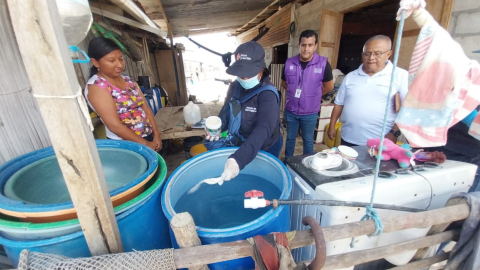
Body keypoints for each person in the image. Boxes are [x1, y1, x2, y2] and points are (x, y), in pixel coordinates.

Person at [218, 41, 283, 182]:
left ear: (261, 70)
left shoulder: (268, 94)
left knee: (261, 180)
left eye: (248, 74)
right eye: (241, 74)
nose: (244, 78)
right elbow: (226, 110)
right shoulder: (235, 86)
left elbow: (264, 128)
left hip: (266, 146)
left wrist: (238, 159)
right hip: (241, 142)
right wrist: (217, 128)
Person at [328, 35, 408, 146]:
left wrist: (394, 132)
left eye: (377, 53)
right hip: (348, 138)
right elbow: (339, 104)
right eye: (367, 54)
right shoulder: (350, 77)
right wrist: (332, 126)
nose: (371, 58)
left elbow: (407, 108)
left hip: (381, 142)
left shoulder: (400, 76)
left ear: (388, 54)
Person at [84, 37, 162, 151]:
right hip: (126, 145)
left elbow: (146, 108)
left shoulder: (128, 80)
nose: (119, 65)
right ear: (95, 62)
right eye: (111, 61)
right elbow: (114, 125)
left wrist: (156, 135)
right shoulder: (97, 87)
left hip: (148, 137)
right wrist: (145, 144)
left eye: (121, 59)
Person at [281, 30, 334, 161]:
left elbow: (329, 86)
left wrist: (313, 96)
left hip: (310, 112)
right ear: (299, 45)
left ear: (315, 46)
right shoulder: (289, 63)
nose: (306, 48)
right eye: (303, 45)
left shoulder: (323, 64)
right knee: (290, 138)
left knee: (308, 140)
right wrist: (295, 94)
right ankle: (288, 162)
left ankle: (307, 164)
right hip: (291, 110)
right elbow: (284, 83)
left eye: (310, 45)